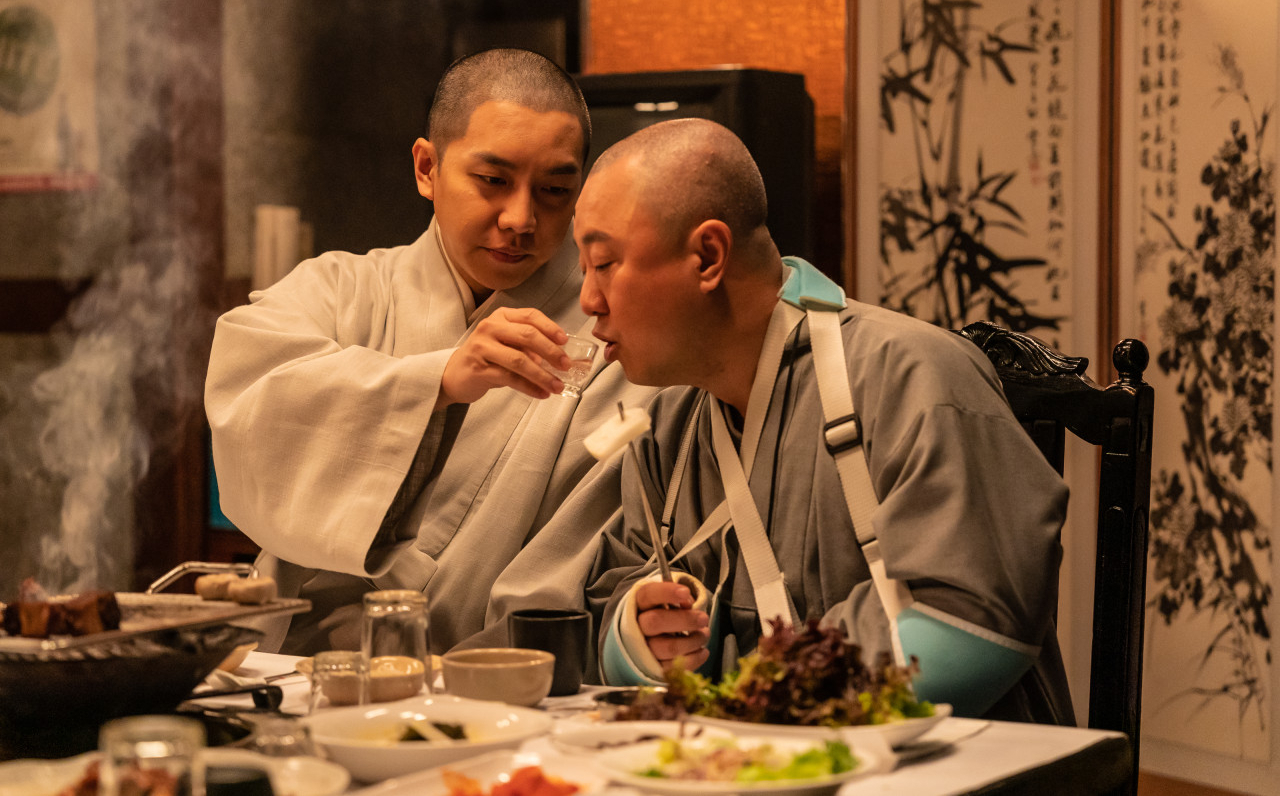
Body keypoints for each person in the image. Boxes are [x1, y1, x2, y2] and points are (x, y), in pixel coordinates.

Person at [488, 117, 1075, 723]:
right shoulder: (668, 422)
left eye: (604, 264)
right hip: (751, 763)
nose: (588, 301)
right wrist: (647, 634)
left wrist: (758, 700)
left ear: (708, 256)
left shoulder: (914, 374)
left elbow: (970, 620)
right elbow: (624, 579)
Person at [204, 49, 655, 655]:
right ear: (426, 168)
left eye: (554, 190)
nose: (522, 218)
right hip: (303, 666)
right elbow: (249, 406)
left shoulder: (610, 330)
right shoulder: (340, 291)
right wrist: (435, 380)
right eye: (493, 181)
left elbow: (617, 537)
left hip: (495, 673)